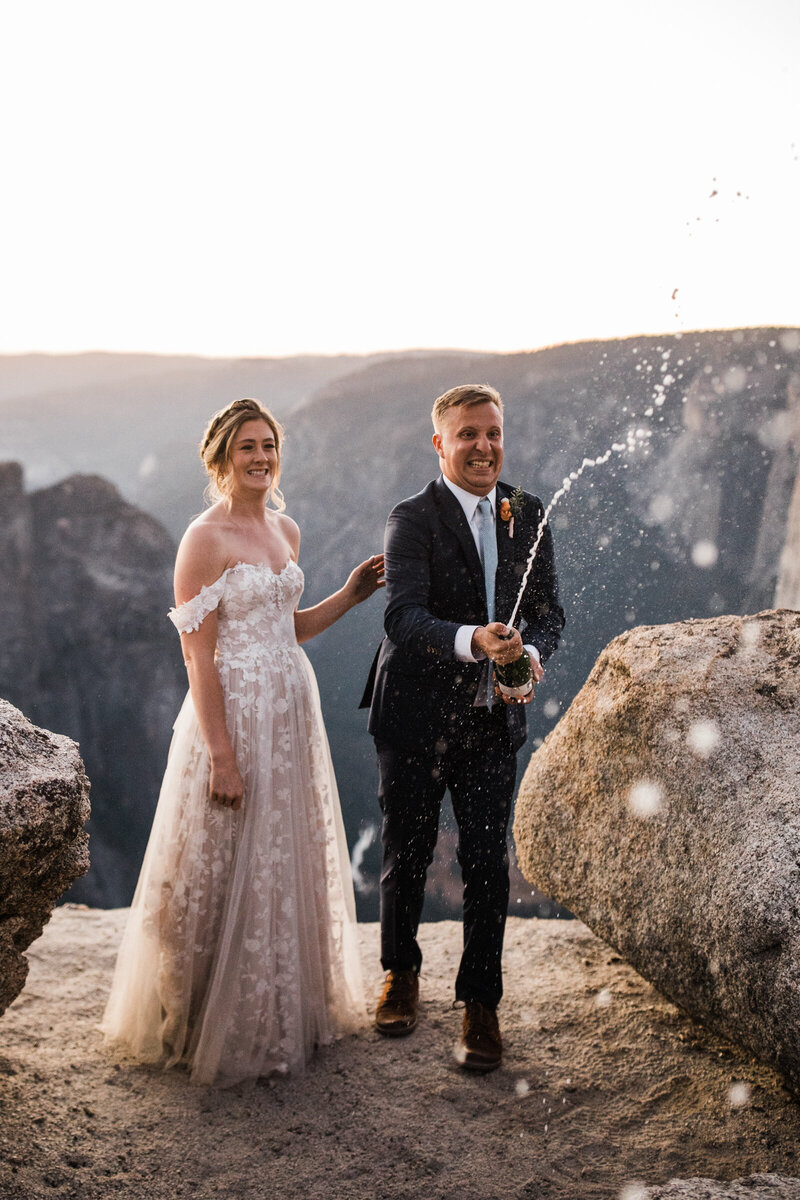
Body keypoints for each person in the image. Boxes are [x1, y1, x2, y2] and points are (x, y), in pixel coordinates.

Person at [102, 397, 384, 1087]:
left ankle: (280, 1007)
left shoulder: (286, 527)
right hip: (231, 713)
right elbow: (199, 658)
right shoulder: (204, 538)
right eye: (245, 448)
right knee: (219, 858)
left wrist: (348, 595)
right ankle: (201, 1018)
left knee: (281, 853)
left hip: (290, 709)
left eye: (267, 445)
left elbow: (288, 629)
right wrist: (222, 755)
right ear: (221, 458)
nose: (259, 457)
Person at [361, 383, 564, 1071]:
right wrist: (475, 640)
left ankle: (480, 1003)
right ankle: (401, 974)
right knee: (407, 854)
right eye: (468, 434)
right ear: (440, 442)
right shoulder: (410, 517)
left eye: (492, 433)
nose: (483, 446)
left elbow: (549, 615)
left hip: (490, 720)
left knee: (485, 866)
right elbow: (402, 618)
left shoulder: (527, 511)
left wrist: (527, 655)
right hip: (414, 718)